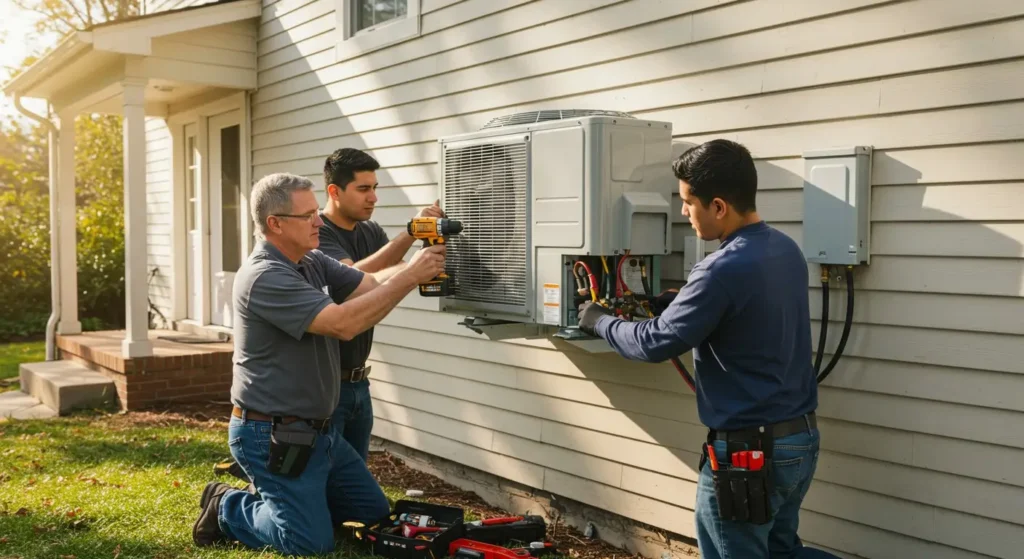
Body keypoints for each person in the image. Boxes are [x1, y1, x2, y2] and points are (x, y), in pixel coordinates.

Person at [576, 139, 835, 559]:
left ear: (718, 207)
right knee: (783, 552)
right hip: (799, 441)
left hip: (748, 456)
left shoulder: (718, 271)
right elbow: (748, 311)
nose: (683, 212)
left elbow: (656, 343)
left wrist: (599, 321)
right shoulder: (785, 249)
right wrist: (682, 301)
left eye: (687, 202)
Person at [192, 172, 446, 556]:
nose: (318, 221)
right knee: (308, 542)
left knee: (373, 512)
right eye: (308, 215)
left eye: (316, 212)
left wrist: (419, 263)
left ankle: (295, 502)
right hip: (271, 433)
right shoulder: (266, 276)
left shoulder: (310, 261)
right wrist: (412, 275)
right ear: (275, 224)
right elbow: (342, 324)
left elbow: (370, 285)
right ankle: (227, 505)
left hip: (319, 433)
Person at [317, 147, 443, 462]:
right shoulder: (317, 233)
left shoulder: (369, 230)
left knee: (356, 478)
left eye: (375, 188)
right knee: (327, 479)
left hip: (360, 382)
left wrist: (424, 243)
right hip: (327, 386)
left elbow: (390, 271)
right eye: (363, 189)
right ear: (334, 191)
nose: (373, 197)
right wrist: (411, 233)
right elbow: (354, 279)